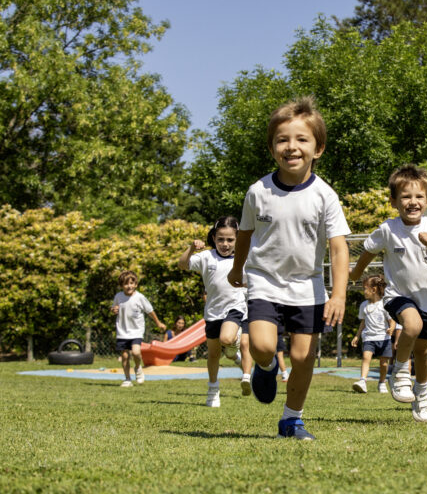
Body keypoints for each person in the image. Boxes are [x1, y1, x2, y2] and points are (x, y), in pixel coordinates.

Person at [227, 97, 350, 441]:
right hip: (265, 281)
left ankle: (291, 420)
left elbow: (338, 248)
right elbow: (245, 234)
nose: (291, 147)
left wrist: (338, 294)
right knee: (263, 345)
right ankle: (265, 367)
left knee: (302, 357)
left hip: (308, 286)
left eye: (301, 139)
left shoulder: (325, 195)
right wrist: (237, 269)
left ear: (318, 149)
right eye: (282, 140)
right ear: (272, 149)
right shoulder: (258, 192)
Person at [350, 165, 427, 422]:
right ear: (394, 201)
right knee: (412, 325)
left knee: (423, 352)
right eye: (406, 196)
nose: (413, 202)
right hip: (398, 296)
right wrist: (354, 274)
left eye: (419, 196)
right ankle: (399, 373)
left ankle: (422, 394)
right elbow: (368, 252)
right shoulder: (388, 229)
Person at [177, 216, 252, 408]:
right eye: (221, 239)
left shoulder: (244, 258)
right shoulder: (206, 257)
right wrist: (191, 248)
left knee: (226, 338)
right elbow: (183, 264)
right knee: (213, 354)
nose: (225, 244)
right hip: (213, 312)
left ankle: (234, 342)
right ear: (213, 238)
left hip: (235, 307)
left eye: (230, 240)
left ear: (237, 240)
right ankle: (213, 389)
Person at [110, 270, 166, 387]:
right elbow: (114, 308)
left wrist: (158, 323)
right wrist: (113, 310)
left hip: (136, 331)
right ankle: (127, 379)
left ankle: (138, 367)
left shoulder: (140, 297)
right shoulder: (118, 296)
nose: (129, 286)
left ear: (136, 284)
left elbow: (150, 311)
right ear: (121, 285)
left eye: (131, 283)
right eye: (126, 284)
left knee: (136, 352)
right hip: (122, 331)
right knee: (125, 356)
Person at [350, 275, 396, 394]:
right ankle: (362, 381)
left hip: (384, 339)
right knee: (366, 358)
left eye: (365, 288)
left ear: (374, 289)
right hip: (368, 338)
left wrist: (391, 328)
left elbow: (392, 321)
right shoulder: (363, 305)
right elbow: (363, 322)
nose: (363, 291)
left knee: (384, 363)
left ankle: (382, 383)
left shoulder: (385, 304)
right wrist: (357, 335)